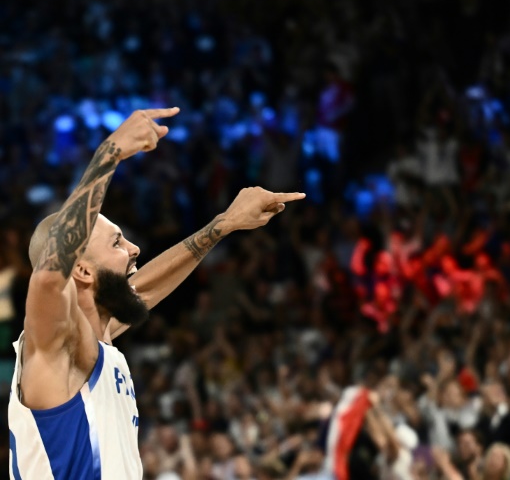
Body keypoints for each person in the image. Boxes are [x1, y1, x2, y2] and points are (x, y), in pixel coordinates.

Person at [7, 108, 305, 478]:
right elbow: (51, 275)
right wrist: (109, 153)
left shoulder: (96, 341)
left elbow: (143, 289)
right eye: (117, 242)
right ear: (80, 269)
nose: (133, 248)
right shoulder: (56, 344)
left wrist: (223, 225)